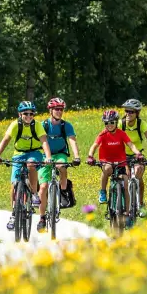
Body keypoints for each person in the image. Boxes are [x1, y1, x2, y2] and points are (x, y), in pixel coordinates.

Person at [0, 101, 52, 231]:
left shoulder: (37, 125)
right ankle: (14, 213)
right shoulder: (15, 125)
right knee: (14, 183)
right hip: (19, 154)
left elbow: (44, 142)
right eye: (26, 113)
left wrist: (48, 157)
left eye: (31, 114)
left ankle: (34, 194)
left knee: (31, 164)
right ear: (20, 114)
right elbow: (6, 140)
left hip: (35, 153)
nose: (29, 116)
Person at [36, 97, 81, 233]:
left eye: (61, 109)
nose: (59, 112)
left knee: (62, 166)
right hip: (45, 156)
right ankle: (42, 218)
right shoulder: (44, 125)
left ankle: (62, 191)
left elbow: (72, 140)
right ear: (50, 110)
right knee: (43, 187)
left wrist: (76, 156)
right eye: (57, 109)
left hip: (60, 153)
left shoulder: (66, 125)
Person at [86, 109, 143, 210]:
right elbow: (94, 145)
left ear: (116, 122)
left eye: (112, 122)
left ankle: (127, 212)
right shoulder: (102, 135)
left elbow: (131, 145)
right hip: (106, 160)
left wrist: (138, 153)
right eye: (106, 123)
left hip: (121, 161)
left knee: (125, 184)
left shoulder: (121, 133)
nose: (109, 125)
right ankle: (103, 191)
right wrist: (90, 156)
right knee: (107, 169)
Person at [120, 98, 147, 216]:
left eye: (131, 112)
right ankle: (123, 204)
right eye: (126, 111)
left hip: (138, 155)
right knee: (124, 179)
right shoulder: (120, 123)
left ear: (137, 113)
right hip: (122, 155)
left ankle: (141, 205)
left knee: (138, 175)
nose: (128, 114)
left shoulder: (141, 124)